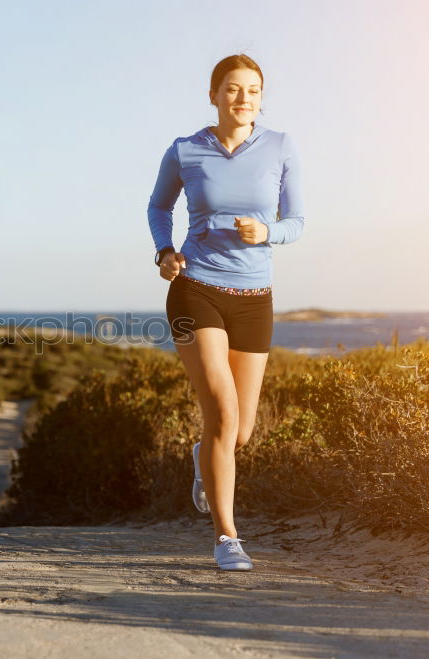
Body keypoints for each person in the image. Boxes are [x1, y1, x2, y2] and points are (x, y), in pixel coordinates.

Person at [146, 54, 305, 571]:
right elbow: (157, 207)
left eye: (254, 90)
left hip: (255, 298)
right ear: (213, 95)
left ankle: (202, 458)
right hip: (196, 290)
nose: (244, 99)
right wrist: (165, 252)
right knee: (221, 409)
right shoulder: (186, 150)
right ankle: (226, 537)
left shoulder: (281, 147)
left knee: (238, 433)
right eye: (233, 90)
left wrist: (269, 232)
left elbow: (297, 219)